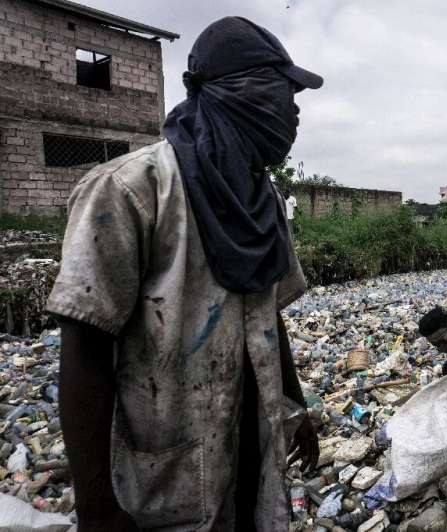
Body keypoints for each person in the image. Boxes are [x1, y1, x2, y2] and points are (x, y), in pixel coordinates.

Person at [46, 17, 323, 532]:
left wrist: (295, 406)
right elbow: (84, 346)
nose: (295, 111)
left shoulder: (264, 202)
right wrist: (96, 507)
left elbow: (267, 316)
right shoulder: (131, 190)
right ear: (243, 93)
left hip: (250, 448)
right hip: (167, 469)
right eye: (285, 93)